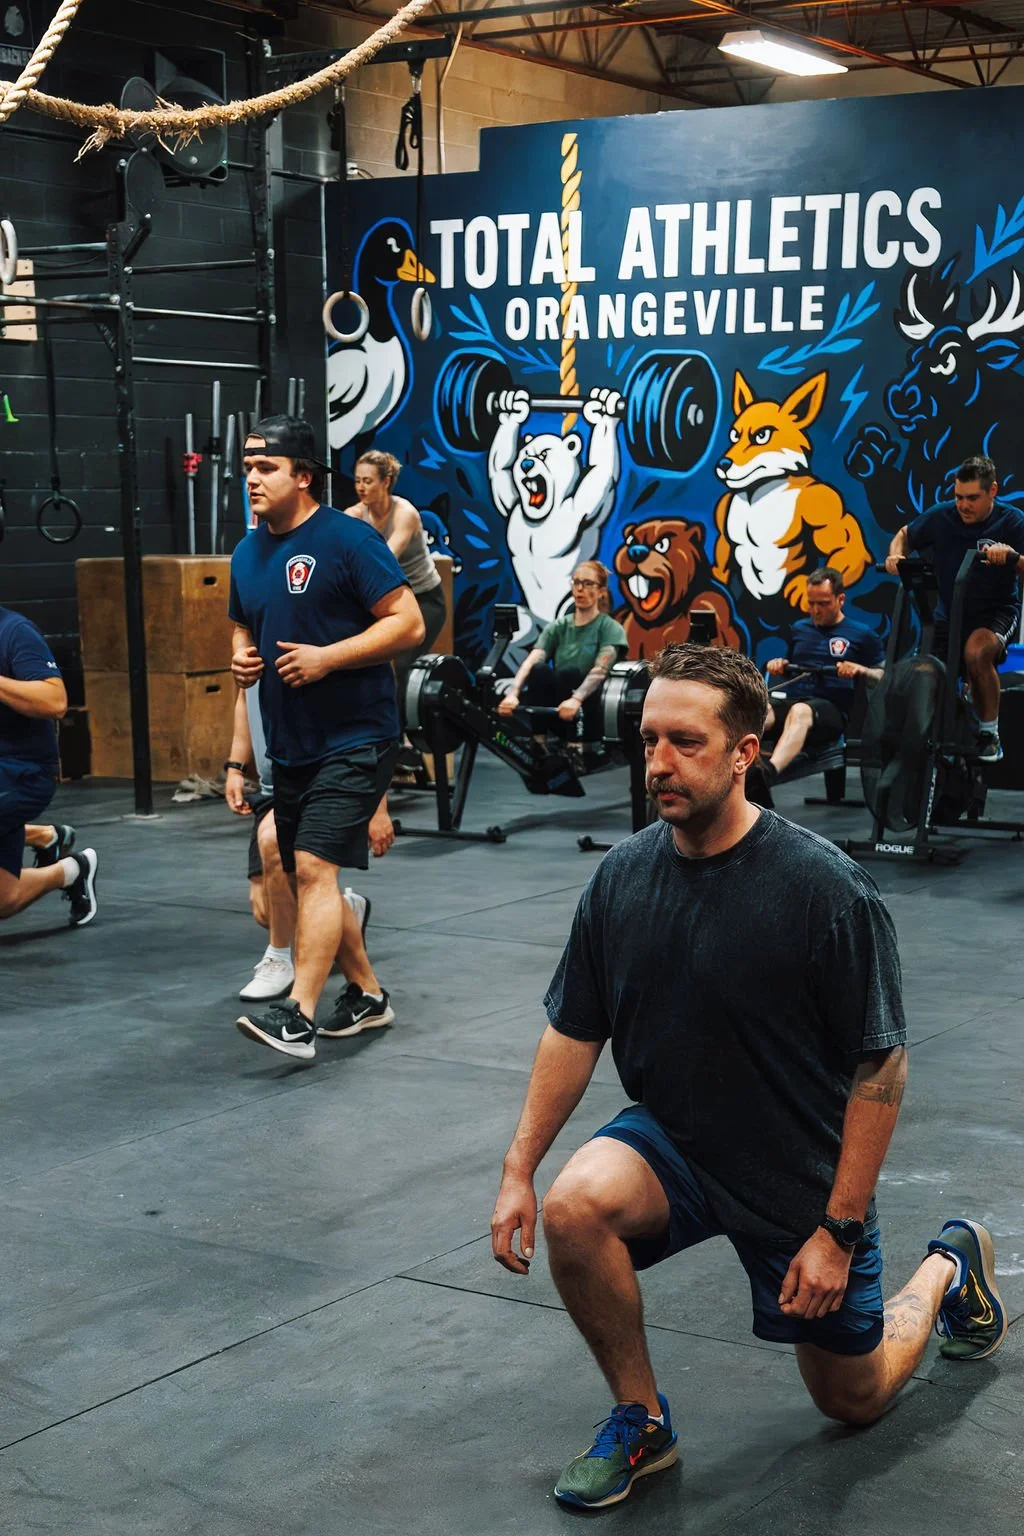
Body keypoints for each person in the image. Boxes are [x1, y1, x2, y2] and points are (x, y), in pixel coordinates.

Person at [491, 643, 1005, 1512]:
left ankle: (948, 1269)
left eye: (685, 742)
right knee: (574, 1208)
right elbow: (574, 1030)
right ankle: (642, 1419)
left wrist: (837, 1231)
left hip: (796, 1171)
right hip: (677, 1142)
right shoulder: (621, 879)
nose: (658, 762)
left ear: (744, 752)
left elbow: (881, 1066)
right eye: (649, 740)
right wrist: (518, 1168)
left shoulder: (826, 891)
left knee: (853, 1400)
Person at [228, 415, 424, 1061]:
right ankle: (367, 993)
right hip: (292, 743)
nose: (252, 479)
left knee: (313, 867)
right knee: (304, 873)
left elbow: (409, 623)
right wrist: (243, 658)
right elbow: (242, 626)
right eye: (248, 468)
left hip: (357, 735)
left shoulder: (347, 540)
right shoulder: (247, 552)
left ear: (304, 476)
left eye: (267, 468)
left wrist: (328, 658)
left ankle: (299, 1015)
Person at [224, 683, 393, 1005]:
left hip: (319, 776)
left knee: (276, 845)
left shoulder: (320, 656)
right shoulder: (251, 656)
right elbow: (245, 699)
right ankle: (343, 913)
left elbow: (369, 720)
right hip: (274, 785)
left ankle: (281, 961)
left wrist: (379, 806)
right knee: (266, 912)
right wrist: (235, 766)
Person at [886, 454, 1024, 762]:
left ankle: (989, 734)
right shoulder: (942, 516)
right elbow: (905, 534)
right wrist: (896, 555)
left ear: (992, 491)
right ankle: (934, 731)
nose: (963, 505)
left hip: (997, 613)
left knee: (976, 652)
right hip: (949, 614)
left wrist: (1013, 558)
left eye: (972, 498)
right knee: (926, 671)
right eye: (959, 497)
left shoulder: (1012, 521)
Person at [0, 604, 97, 927]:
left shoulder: (14, 631)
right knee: (5, 900)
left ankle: (38, 835)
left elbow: (54, 701)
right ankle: (71, 870)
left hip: (22, 772)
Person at [345, 449, 449, 705]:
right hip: (385, 601)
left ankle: (401, 728)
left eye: (367, 481)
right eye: (357, 481)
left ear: (386, 482)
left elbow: (386, 560)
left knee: (402, 665)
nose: (361, 487)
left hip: (424, 600)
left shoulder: (405, 513)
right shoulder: (355, 515)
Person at [763, 566, 884, 778]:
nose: (816, 610)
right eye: (811, 603)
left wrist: (861, 670)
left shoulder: (862, 634)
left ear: (841, 599)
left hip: (832, 712)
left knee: (800, 711)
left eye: (824, 603)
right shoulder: (800, 629)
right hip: (795, 701)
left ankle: (768, 774)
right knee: (760, 711)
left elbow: (883, 676)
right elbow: (790, 669)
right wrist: (779, 665)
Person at [497, 562, 627, 739]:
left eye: (588, 583)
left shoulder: (610, 628)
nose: (580, 589)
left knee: (569, 673)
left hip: (589, 708)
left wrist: (576, 699)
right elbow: (532, 660)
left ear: (601, 591)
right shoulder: (559, 626)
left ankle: (575, 745)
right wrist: (512, 694)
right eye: (576, 582)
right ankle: (539, 742)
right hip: (559, 705)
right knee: (539, 670)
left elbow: (600, 670)